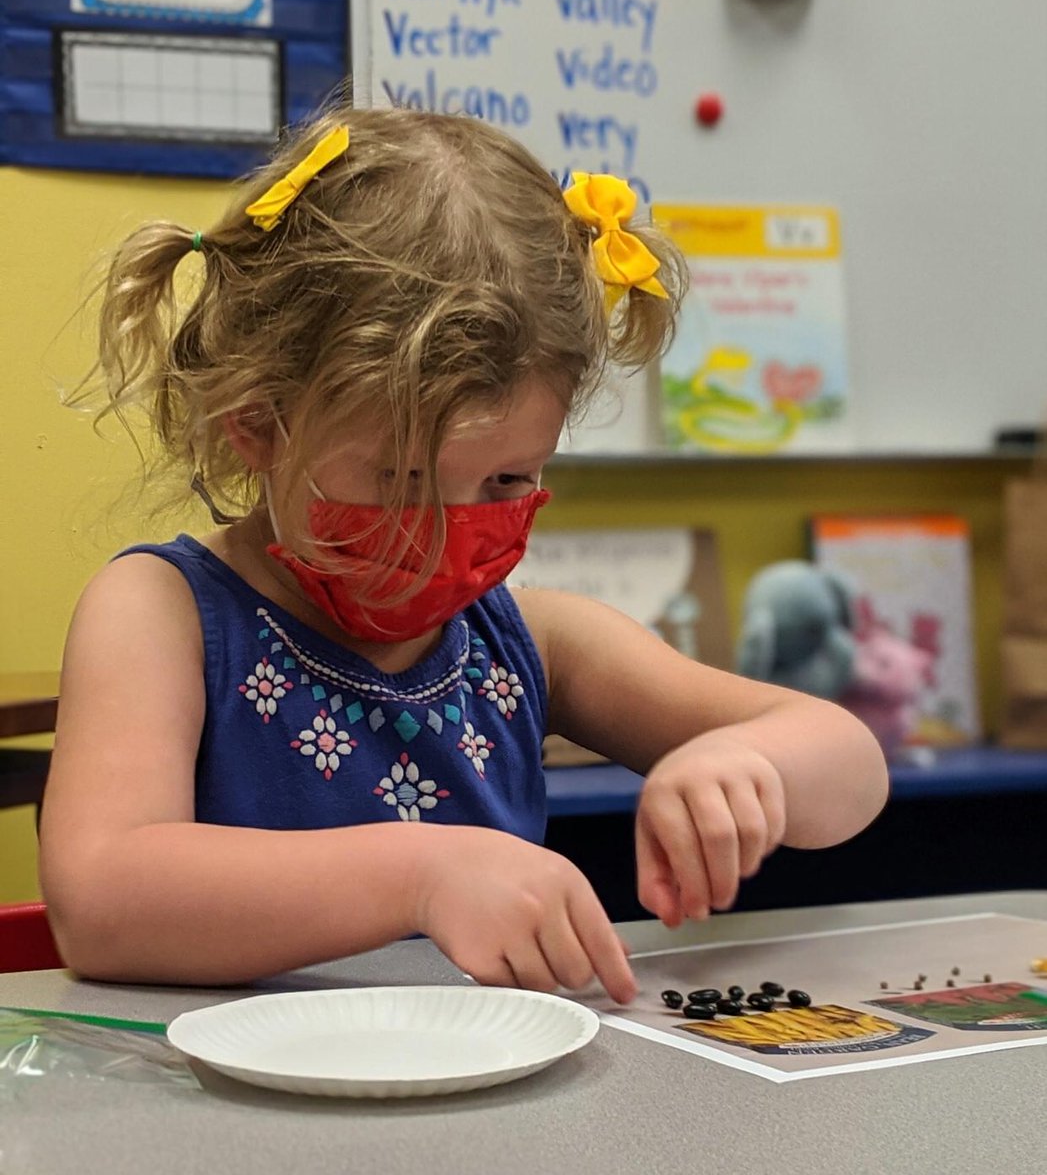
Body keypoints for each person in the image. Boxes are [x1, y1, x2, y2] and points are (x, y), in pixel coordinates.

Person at [39, 105, 888, 1003]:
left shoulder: (532, 641)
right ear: (256, 423)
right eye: (401, 478)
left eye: (507, 481)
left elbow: (849, 763)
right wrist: (420, 875)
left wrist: (746, 766)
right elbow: (101, 903)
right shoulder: (160, 613)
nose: (447, 532)